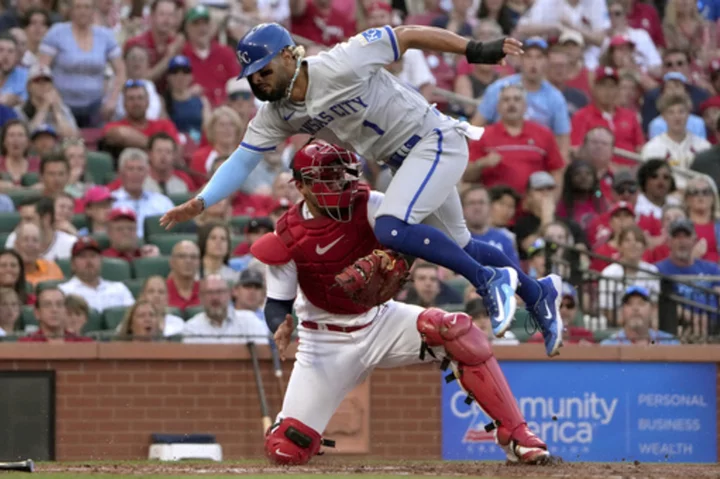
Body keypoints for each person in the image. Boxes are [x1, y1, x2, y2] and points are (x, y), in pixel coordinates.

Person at [160, 23, 564, 356]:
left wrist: (474, 48)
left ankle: (487, 280)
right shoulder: (277, 113)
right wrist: (201, 200)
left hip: (433, 139)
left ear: (289, 54)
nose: (258, 82)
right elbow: (242, 159)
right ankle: (538, 293)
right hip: (406, 161)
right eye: (251, 77)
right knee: (459, 242)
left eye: (264, 71)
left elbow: (405, 35)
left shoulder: (338, 62)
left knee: (390, 226)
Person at [248, 142, 552, 465]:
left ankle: (518, 436)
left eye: (342, 174)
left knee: (458, 330)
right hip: (323, 342)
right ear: (301, 186)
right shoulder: (287, 235)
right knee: (286, 449)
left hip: (380, 319)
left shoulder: (371, 204)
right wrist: (279, 324)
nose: (339, 183)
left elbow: (417, 240)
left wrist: (401, 258)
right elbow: (276, 304)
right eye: (329, 176)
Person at [37, 0, 126, 127]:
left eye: (87, 7)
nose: (82, 11)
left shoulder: (105, 36)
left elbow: (121, 71)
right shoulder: (56, 33)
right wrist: (52, 98)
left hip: (96, 105)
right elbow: (42, 69)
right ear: (71, 10)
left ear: (93, 11)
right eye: (78, 7)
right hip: (62, 104)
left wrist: (112, 99)